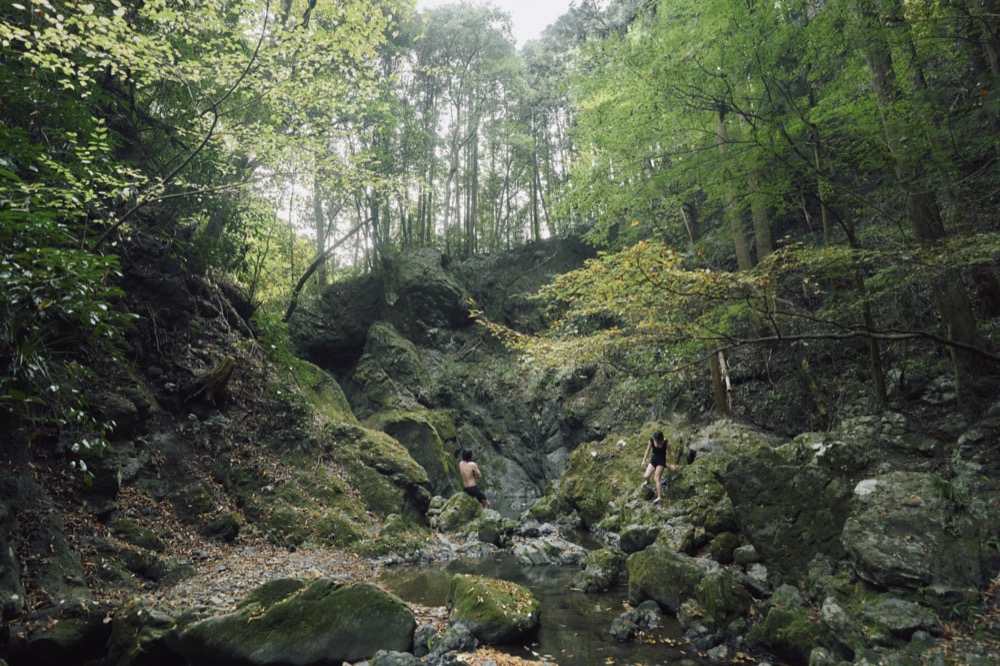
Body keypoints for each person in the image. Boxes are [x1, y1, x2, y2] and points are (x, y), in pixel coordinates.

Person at [641, 430, 675, 504]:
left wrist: (673, 464)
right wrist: (644, 460)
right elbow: (647, 451)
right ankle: (648, 481)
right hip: (654, 459)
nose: (655, 440)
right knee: (646, 476)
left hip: (661, 461)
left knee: (656, 479)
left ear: (660, 439)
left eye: (656, 439)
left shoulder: (666, 443)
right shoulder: (651, 440)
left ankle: (659, 497)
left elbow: (670, 454)